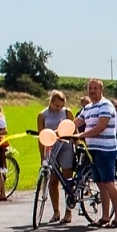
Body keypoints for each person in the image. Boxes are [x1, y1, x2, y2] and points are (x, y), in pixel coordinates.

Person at [76, 78, 117, 228]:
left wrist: (81, 135)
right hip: (93, 150)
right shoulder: (87, 108)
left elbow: (100, 127)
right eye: (90, 88)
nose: (92, 91)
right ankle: (105, 217)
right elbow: (76, 122)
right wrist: (57, 131)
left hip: (105, 150)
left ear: (101, 90)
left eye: (95, 88)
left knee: (109, 183)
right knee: (101, 184)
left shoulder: (106, 105)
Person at [37, 90, 78, 224]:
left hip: (66, 147)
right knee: (53, 180)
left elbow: (74, 130)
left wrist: (77, 145)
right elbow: (41, 136)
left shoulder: (67, 112)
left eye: (61, 106)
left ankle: (68, 212)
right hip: (51, 148)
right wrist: (42, 156)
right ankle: (56, 211)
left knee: (67, 180)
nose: (58, 108)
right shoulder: (42, 115)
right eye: (56, 105)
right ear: (51, 102)